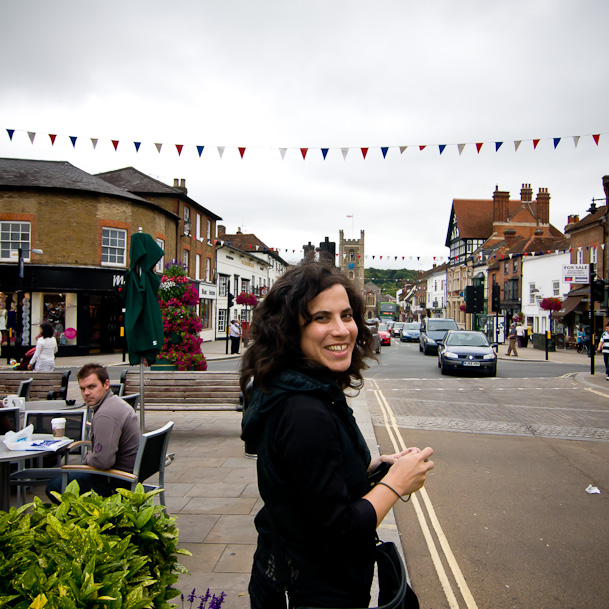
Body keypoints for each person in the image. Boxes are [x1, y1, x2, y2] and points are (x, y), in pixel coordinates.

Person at [240, 262, 434, 609]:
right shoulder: (304, 412)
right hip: (313, 594)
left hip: (288, 577)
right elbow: (338, 531)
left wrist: (376, 468)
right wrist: (396, 485)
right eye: (321, 318)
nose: (342, 330)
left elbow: (306, 483)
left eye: (347, 315)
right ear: (289, 329)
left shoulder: (297, 387)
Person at [46, 363, 141, 503]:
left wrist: (87, 458)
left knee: (54, 487)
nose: (86, 393)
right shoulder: (115, 402)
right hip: (128, 474)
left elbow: (103, 462)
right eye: (82, 389)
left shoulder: (106, 414)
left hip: (117, 481)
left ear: (106, 384)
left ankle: (81, 521)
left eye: (92, 387)